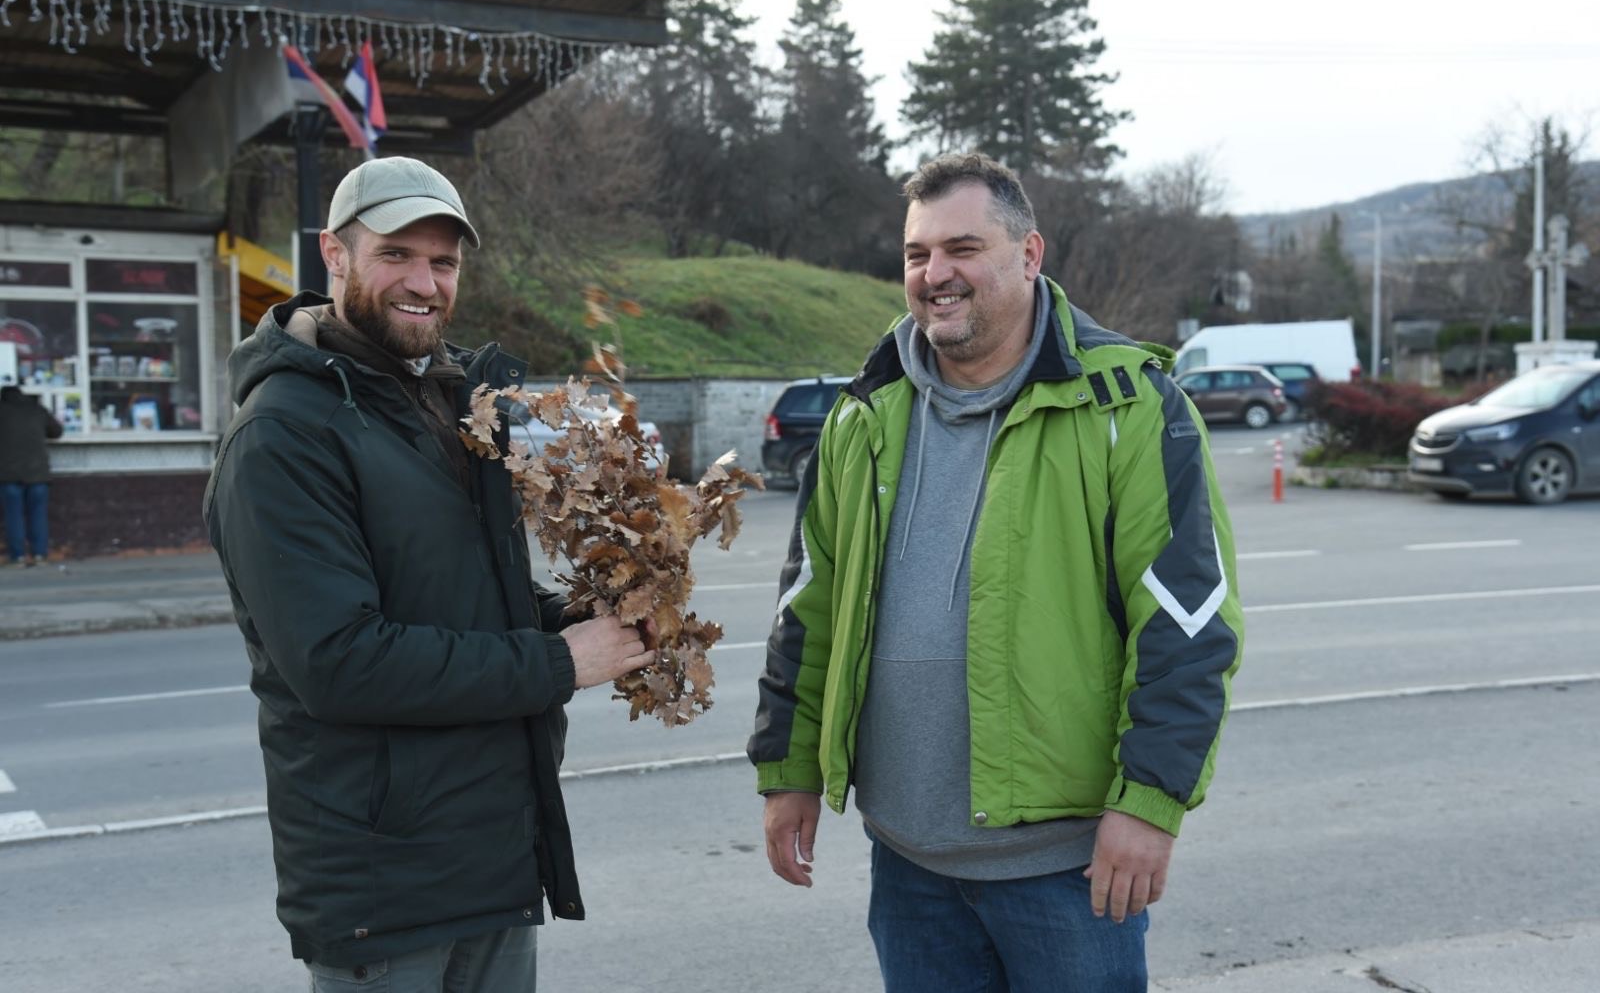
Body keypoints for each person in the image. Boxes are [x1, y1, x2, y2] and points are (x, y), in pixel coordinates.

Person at [749, 152, 1245, 992]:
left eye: (963, 248)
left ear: (1029, 254)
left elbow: (1188, 623)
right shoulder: (863, 415)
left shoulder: (1128, 405)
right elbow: (809, 607)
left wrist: (1148, 803)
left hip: (1065, 868)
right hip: (908, 863)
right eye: (916, 255)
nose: (936, 274)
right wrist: (788, 768)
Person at [204, 156, 653, 992]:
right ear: (334, 255)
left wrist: (586, 616)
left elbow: (466, 600)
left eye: (442, 262)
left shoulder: (451, 406)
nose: (424, 282)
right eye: (396, 255)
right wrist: (562, 661)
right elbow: (343, 664)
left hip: (493, 860)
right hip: (384, 888)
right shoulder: (283, 436)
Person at [0, 384, 64, 566]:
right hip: (38, 474)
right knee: (38, 515)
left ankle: (18, 557)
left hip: (8, 475)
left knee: (14, 516)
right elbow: (57, 432)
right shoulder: (37, 409)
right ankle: (39, 555)